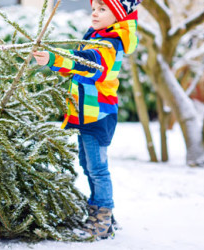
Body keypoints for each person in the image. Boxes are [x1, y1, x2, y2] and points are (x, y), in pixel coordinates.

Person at [33, 0, 141, 239]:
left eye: (102, 9)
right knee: (87, 164)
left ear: (118, 15)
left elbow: (91, 64)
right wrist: (53, 60)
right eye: (94, 8)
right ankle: (100, 213)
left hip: (98, 114)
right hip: (85, 112)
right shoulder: (96, 35)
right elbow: (78, 64)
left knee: (98, 168)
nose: (94, 13)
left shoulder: (111, 42)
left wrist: (55, 58)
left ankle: (102, 217)